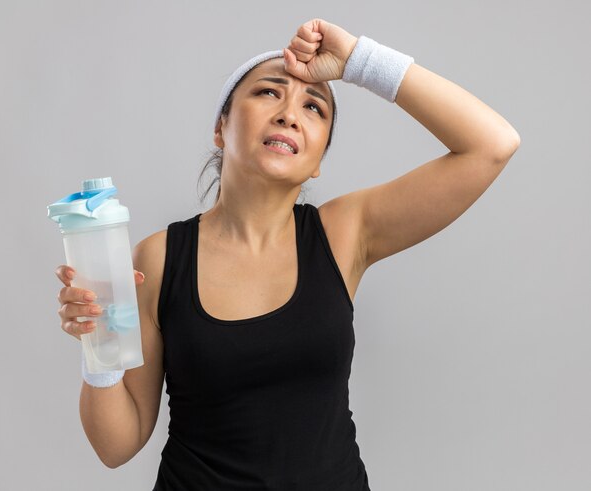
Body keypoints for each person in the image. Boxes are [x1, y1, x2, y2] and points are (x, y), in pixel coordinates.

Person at [55, 18, 520, 490]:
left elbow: (491, 145)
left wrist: (359, 60)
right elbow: (116, 446)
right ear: (221, 127)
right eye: (268, 93)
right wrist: (99, 350)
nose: (289, 114)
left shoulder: (344, 234)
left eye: (314, 107)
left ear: (317, 161)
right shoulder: (157, 259)